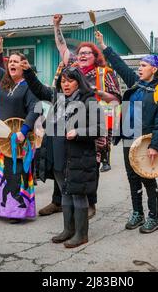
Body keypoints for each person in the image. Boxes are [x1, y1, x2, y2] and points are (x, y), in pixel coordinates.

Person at [38, 14, 122, 219]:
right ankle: (58, 201)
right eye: (80, 52)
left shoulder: (104, 72)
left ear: (95, 56)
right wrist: (56, 26)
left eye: (87, 53)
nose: (82, 55)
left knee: (89, 165)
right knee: (61, 162)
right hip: (65, 122)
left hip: (92, 125)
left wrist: (99, 93)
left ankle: (89, 203)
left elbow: (116, 98)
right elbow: (62, 47)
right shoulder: (72, 70)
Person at [96, 30, 158, 233]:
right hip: (129, 138)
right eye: (139, 66)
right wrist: (104, 47)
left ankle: (154, 217)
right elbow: (120, 66)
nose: (139, 69)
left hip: (146, 141)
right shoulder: (136, 84)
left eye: (143, 66)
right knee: (132, 177)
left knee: (147, 177)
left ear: (154, 69)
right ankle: (137, 212)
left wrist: (156, 145)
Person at [23, 63, 102, 248]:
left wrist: (78, 132)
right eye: (63, 81)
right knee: (65, 192)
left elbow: (100, 128)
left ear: (79, 82)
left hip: (77, 157)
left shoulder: (88, 100)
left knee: (78, 195)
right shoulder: (58, 99)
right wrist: (27, 71)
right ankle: (68, 230)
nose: (66, 85)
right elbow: (38, 88)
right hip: (57, 156)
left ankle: (81, 234)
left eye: (70, 81)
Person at [0, 28, 40, 224]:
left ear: (23, 66)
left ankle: (15, 212)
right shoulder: (1, 79)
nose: (11, 64)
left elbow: (35, 110)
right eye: (10, 61)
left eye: (16, 62)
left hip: (19, 138)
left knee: (16, 175)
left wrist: (23, 131)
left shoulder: (30, 85)